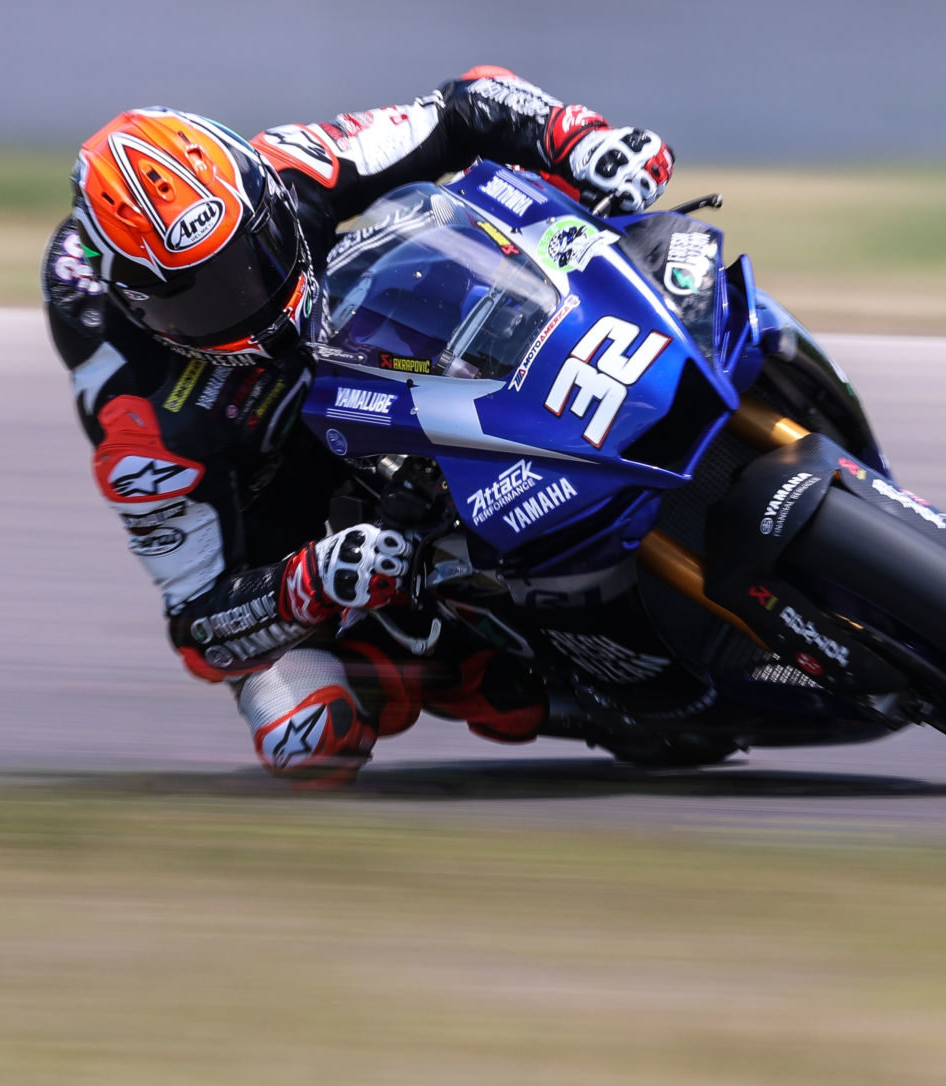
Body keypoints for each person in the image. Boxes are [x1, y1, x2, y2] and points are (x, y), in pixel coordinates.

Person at [42, 66, 674, 784]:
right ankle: (524, 685)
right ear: (139, 309)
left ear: (264, 195)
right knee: (309, 736)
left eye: (259, 252)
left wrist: (579, 137)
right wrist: (312, 581)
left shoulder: (289, 164)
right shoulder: (138, 421)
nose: (255, 302)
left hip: (372, 351)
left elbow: (461, 106)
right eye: (207, 298)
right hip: (287, 523)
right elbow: (198, 625)